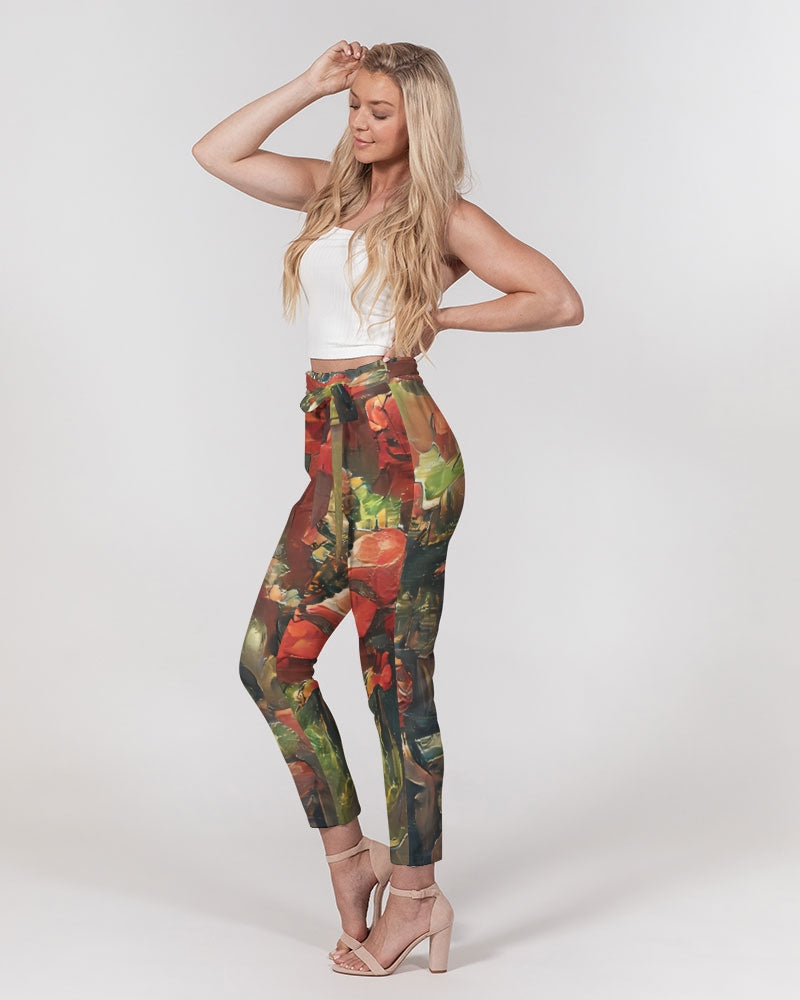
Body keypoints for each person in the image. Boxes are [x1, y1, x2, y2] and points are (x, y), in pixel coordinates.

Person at [192, 38, 583, 977]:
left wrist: (441, 315)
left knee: (396, 682)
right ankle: (352, 854)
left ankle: (415, 895)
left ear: (421, 120)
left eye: (378, 110)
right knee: (269, 662)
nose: (359, 124)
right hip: (332, 451)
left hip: (402, 452)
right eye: (353, 107)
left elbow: (556, 299)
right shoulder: (330, 191)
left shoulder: (442, 214)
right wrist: (310, 82)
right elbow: (216, 152)